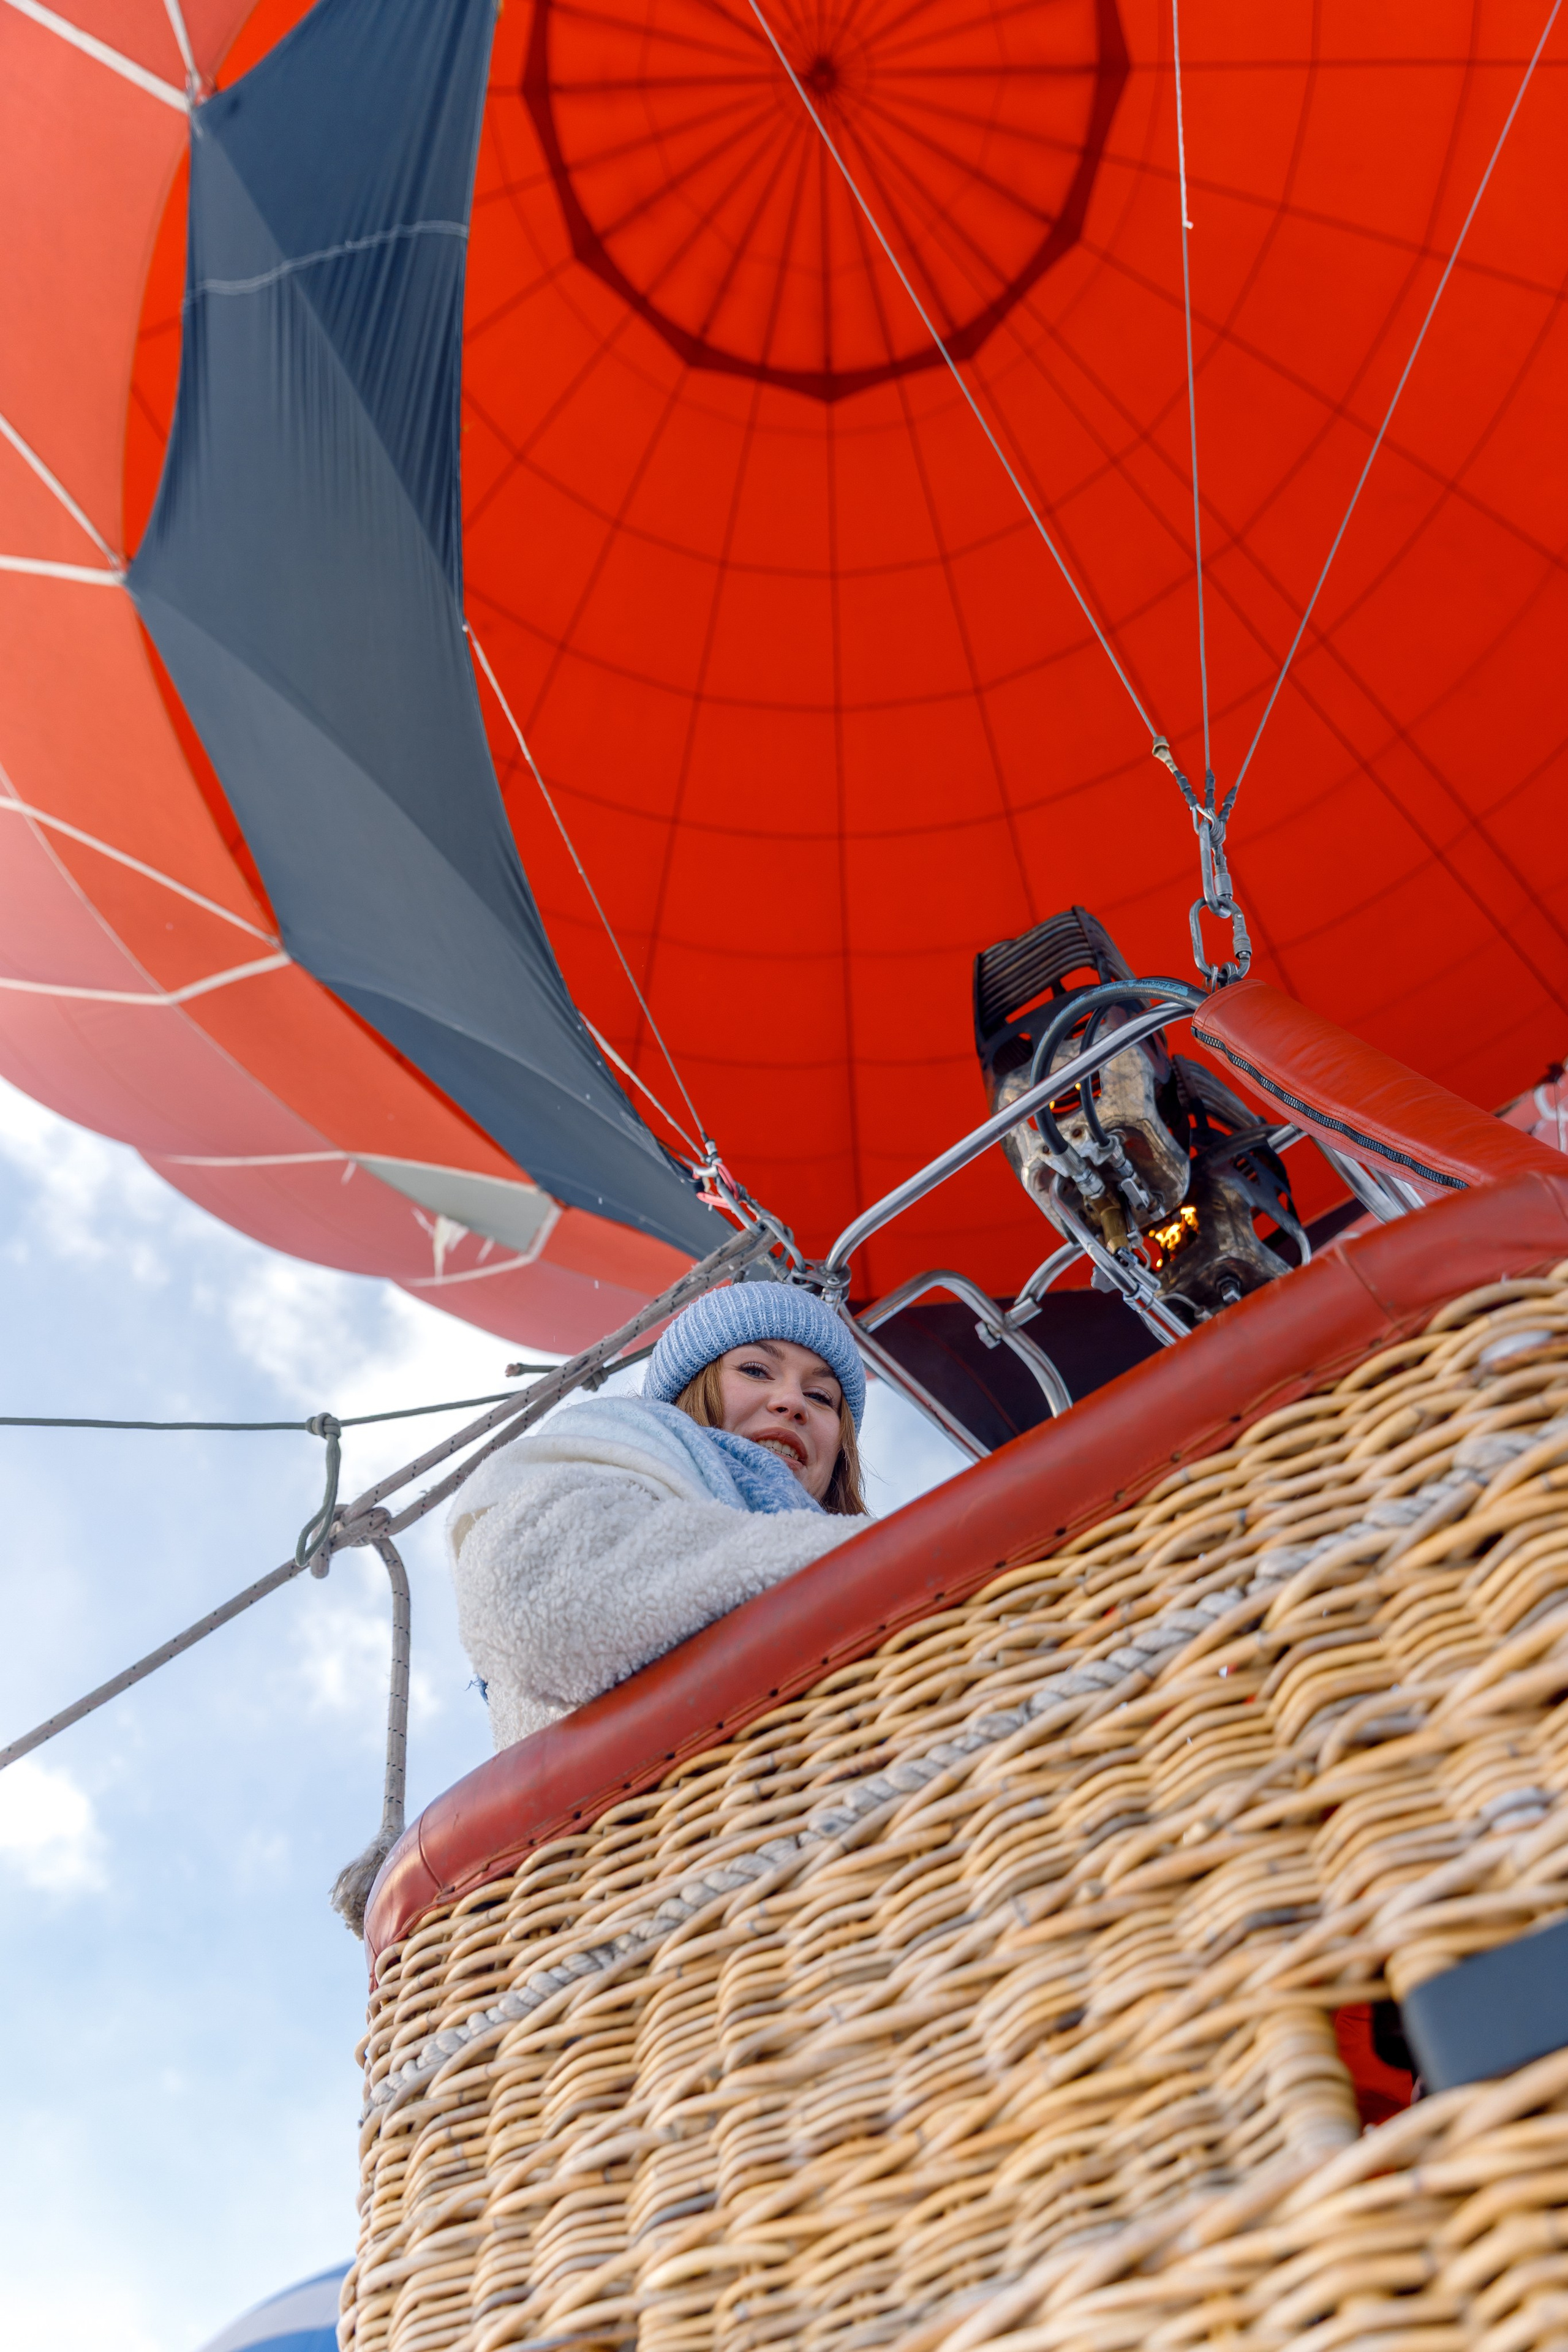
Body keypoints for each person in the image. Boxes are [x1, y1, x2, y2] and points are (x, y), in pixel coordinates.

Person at [448, 1282, 870, 1750]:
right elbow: (540, 1609)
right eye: (755, 1370)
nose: (792, 1401)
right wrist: (867, 1562)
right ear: (691, 1385)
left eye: (821, 1397)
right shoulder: (611, 1448)